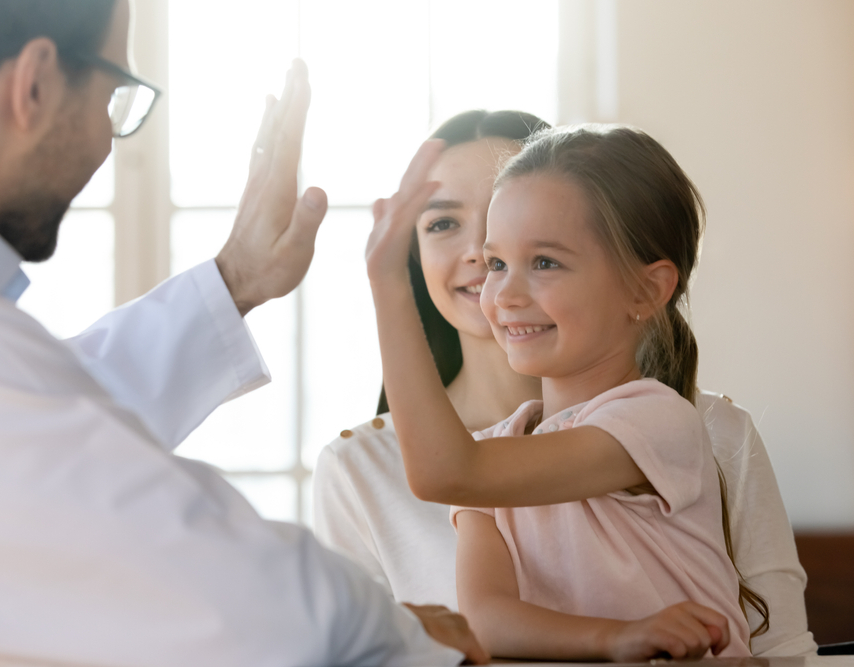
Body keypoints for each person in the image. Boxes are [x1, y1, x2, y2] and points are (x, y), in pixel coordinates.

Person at [0, 1, 488, 665]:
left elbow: (35, 426)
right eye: (113, 96)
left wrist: (234, 278)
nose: (108, 141)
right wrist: (408, 634)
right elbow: (274, 619)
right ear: (35, 84)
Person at [314, 111, 816, 657]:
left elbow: (448, 473)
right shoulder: (484, 456)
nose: (499, 290)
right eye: (496, 260)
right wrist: (614, 639)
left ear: (647, 292)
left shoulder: (664, 420)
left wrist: (387, 282)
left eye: (546, 260)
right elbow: (484, 620)